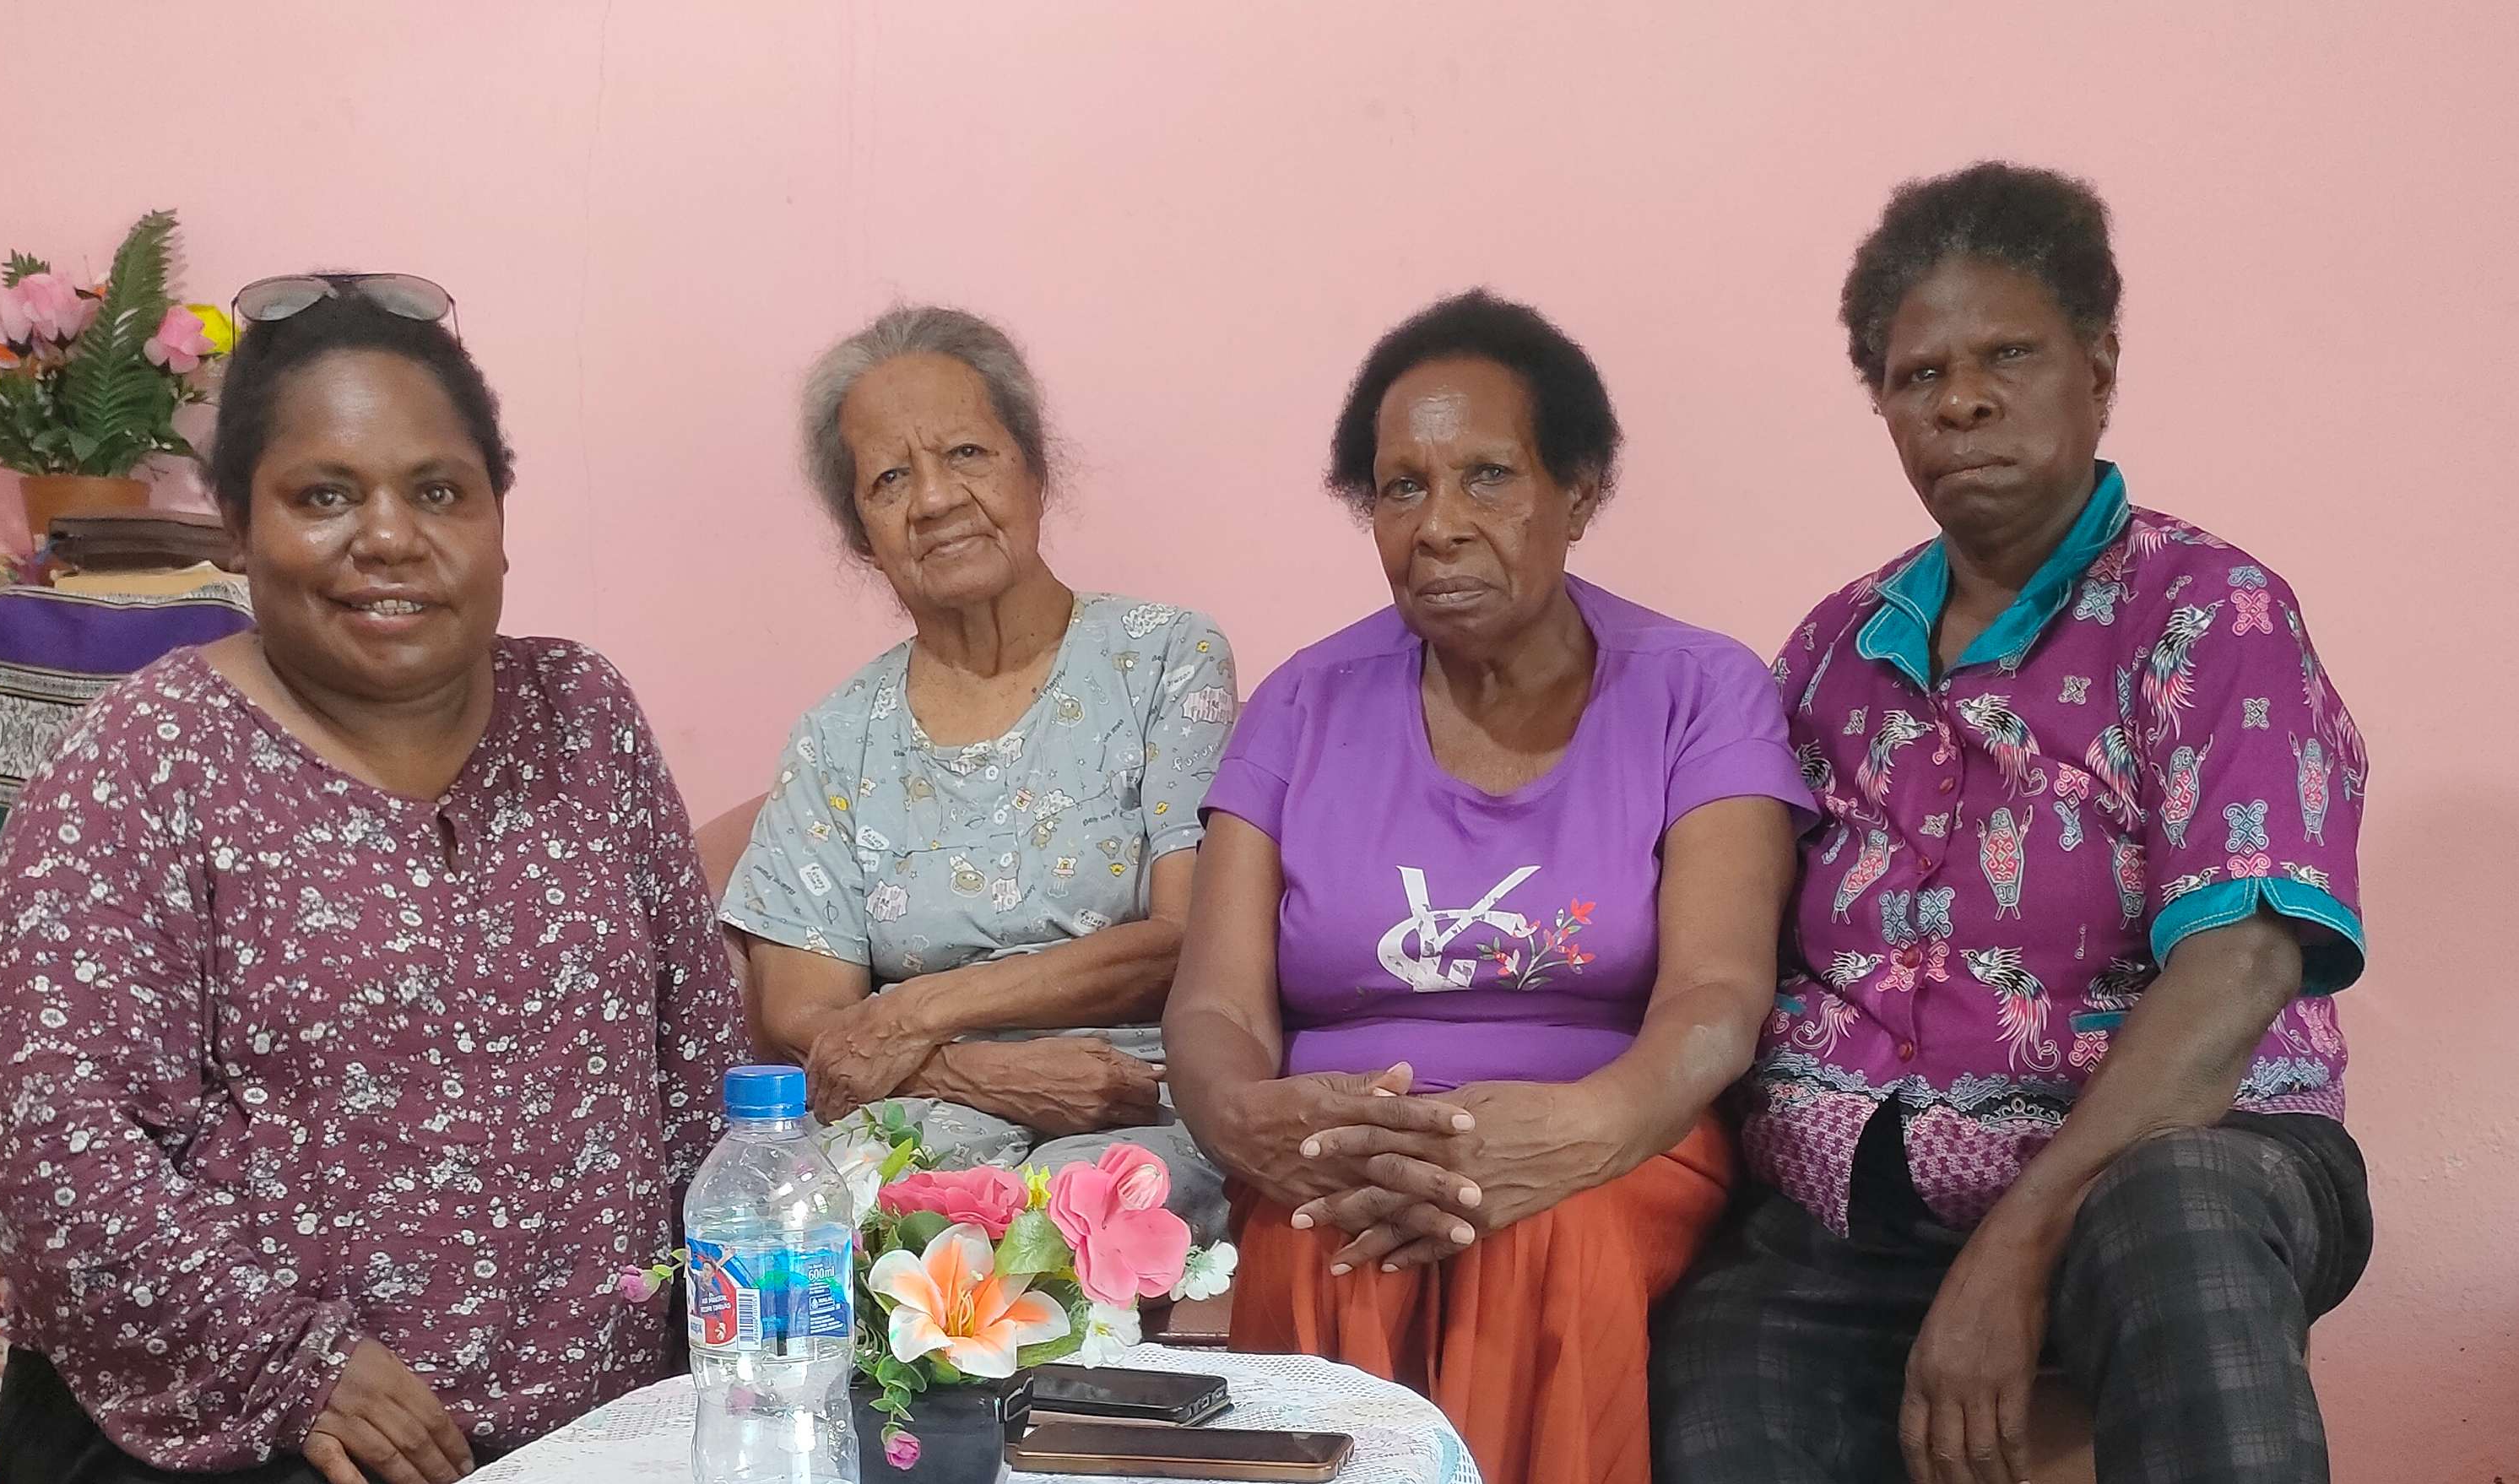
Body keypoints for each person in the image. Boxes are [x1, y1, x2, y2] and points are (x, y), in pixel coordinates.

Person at [1652, 164, 2375, 1484]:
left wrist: (2015, 1243)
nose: (1961, 400)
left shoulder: (2208, 611)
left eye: (2004, 356)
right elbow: (1730, 938)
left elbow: (2242, 964)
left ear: (2097, 368)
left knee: (2177, 1213)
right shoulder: (1830, 652)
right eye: (1916, 376)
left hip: (2167, 1163)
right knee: (1718, 1369)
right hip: (1862, 1195)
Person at [0, 275, 747, 1484]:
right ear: (236, 522)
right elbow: (55, 1147)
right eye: (324, 495)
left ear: (498, 515)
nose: (388, 536)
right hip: (264, 1444)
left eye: (437, 490)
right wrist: (296, 1363)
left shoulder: (582, 714)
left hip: (592, 1439)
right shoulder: (146, 758)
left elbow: (694, 1052)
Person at [1165, 290, 1812, 1484]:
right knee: (1327, 1235)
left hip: (1614, 1138)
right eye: (1400, 486)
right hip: (1345, 1146)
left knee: (1537, 1231)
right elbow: (1213, 1009)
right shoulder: (1301, 706)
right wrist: (1241, 1119)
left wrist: (1585, 1126)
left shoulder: (1697, 690)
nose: (1439, 524)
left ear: (1578, 491)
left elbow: (1716, 994)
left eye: (1487, 476)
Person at [726, 306, 1238, 1238]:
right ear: (861, 535)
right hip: (913, 1103)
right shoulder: (839, 735)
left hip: (1126, 1099)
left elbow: (1190, 935)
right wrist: (977, 1069)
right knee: (800, 1223)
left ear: (1036, 470)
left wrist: (921, 1009)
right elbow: (803, 1007)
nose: (933, 499)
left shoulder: (1165, 659)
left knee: (1071, 1227)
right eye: (889, 479)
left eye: (966, 453)